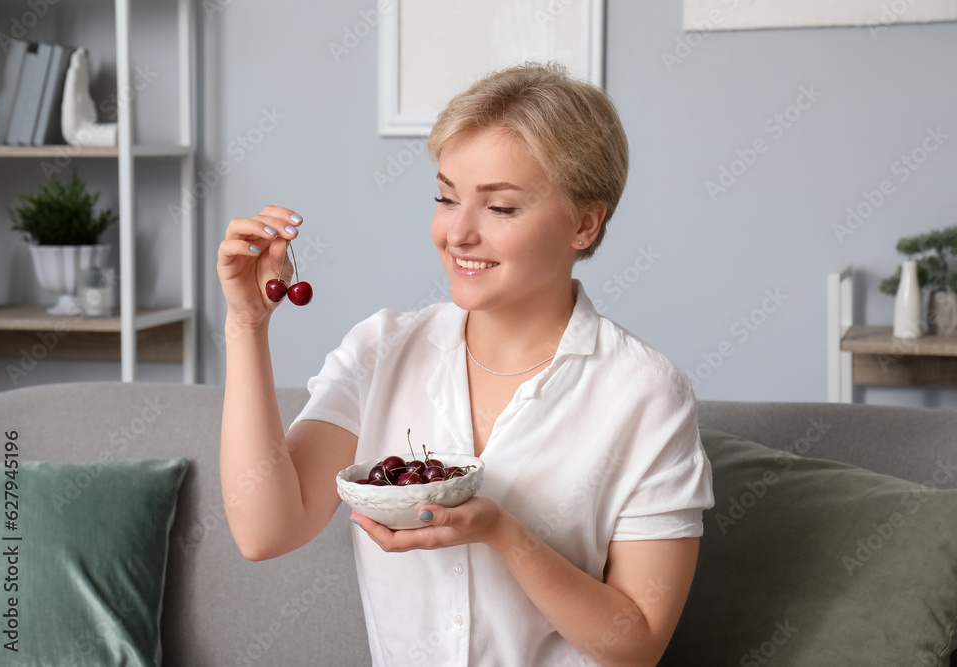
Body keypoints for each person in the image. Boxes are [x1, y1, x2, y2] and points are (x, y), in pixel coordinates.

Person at [217, 61, 714, 666]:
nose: (458, 233)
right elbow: (267, 531)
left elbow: (636, 643)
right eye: (446, 197)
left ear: (584, 223)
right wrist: (247, 326)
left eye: (500, 208)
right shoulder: (381, 351)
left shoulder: (644, 393)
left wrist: (501, 532)